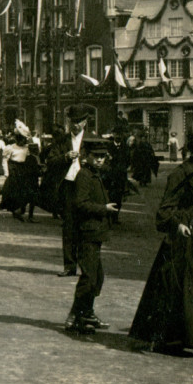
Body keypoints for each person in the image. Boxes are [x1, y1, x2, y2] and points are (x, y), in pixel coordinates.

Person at [129, 124, 193, 359]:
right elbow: (166, 209)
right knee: (191, 288)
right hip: (188, 235)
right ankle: (187, 339)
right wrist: (177, 225)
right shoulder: (182, 173)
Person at [64, 137, 118, 333]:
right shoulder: (85, 176)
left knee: (97, 276)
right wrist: (103, 208)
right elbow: (80, 203)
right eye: (96, 156)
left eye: (103, 156)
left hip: (95, 232)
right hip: (87, 232)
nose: (100, 160)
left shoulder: (95, 174)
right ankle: (75, 315)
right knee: (89, 277)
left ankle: (87, 312)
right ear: (87, 156)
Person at [45, 105, 90, 277]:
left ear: (85, 122)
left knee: (86, 227)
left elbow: (104, 163)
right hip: (69, 187)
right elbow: (50, 161)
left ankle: (86, 266)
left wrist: (88, 163)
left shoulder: (92, 140)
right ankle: (69, 266)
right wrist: (65, 157)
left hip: (86, 188)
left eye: (79, 122)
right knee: (69, 227)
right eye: (73, 122)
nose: (75, 125)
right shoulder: (62, 141)